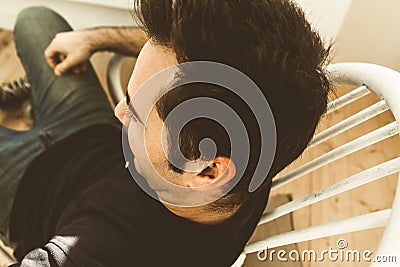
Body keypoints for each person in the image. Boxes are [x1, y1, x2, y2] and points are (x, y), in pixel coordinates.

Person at [0, 0, 332, 266]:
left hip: (26, 194)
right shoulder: (259, 129)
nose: (120, 110)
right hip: (91, 139)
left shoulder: (108, 249)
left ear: (206, 170)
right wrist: (94, 39)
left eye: (136, 111)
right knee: (36, 19)